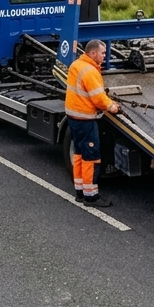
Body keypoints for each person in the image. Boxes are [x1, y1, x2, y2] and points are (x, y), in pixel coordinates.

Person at [64, 39, 120, 206]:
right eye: (103, 53)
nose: (105, 56)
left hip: (74, 118)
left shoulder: (77, 65)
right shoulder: (90, 71)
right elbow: (98, 98)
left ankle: (80, 192)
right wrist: (112, 106)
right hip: (85, 120)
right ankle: (91, 197)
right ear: (93, 53)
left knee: (79, 155)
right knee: (91, 158)